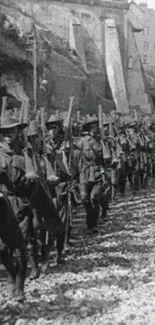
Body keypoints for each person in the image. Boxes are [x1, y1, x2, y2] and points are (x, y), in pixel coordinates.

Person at [0, 115, 29, 302]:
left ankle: (20, 288)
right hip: (2, 204)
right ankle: (11, 275)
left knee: (20, 247)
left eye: (13, 131)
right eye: (6, 132)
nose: (10, 135)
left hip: (20, 202)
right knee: (2, 249)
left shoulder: (23, 154)